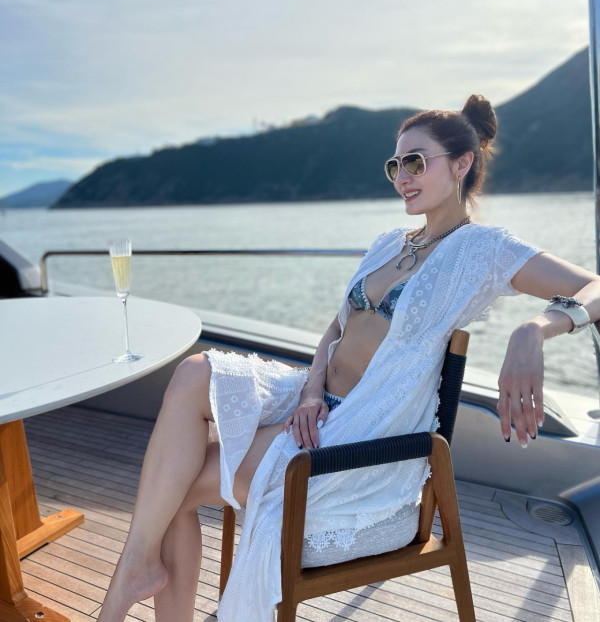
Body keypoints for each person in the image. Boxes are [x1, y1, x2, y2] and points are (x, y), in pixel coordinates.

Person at [97, 94, 600, 622]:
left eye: (416, 162)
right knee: (194, 372)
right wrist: (311, 391)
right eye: (395, 165)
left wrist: (534, 329)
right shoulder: (389, 243)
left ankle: (129, 582)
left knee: (175, 489)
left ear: (462, 164)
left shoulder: (485, 249)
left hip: (360, 435)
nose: (402, 177)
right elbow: (337, 328)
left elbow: (594, 288)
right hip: (317, 402)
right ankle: (136, 571)